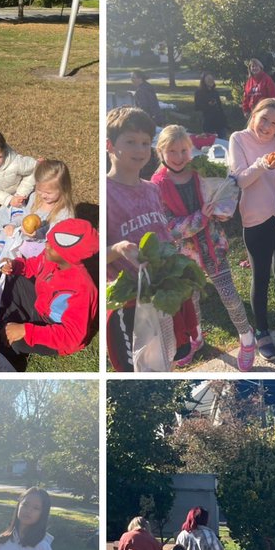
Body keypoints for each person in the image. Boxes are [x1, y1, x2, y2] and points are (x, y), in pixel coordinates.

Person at [153, 123, 255, 372]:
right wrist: (201, 217)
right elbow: (168, 227)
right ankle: (196, 338)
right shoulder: (156, 185)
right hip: (184, 257)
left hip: (213, 248)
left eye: (183, 151)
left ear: (191, 150)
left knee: (229, 296)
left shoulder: (201, 172)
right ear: (161, 152)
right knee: (191, 301)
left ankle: (247, 338)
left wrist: (221, 211)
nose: (179, 157)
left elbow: (221, 196)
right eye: (172, 152)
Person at [229, 97, 275, 361]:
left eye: (274, 123)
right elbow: (240, 180)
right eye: (264, 119)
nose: (268, 127)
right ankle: (261, 329)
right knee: (260, 275)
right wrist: (263, 163)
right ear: (253, 114)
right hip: (255, 217)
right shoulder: (238, 139)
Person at [105, 106, 173, 371]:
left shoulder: (153, 189)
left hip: (159, 294)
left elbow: (163, 234)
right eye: (130, 141)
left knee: (164, 360)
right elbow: (93, 254)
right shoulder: (107, 192)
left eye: (145, 142)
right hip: (128, 300)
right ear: (109, 145)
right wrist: (118, 248)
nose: (140, 149)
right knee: (137, 368)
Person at [0, 219, 99, 369]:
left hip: (56, 332)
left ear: (69, 256)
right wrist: (15, 265)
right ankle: (4, 323)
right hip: (41, 307)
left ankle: (10, 352)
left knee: (18, 340)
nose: (46, 245)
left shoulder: (82, 289)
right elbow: (32, 266)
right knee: (13, 278)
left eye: (52, 245)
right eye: (48, 240)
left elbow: (72, 337)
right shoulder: (49, 257)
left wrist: (26, 330)